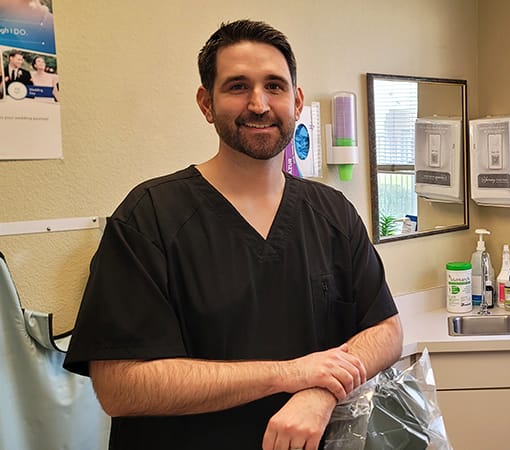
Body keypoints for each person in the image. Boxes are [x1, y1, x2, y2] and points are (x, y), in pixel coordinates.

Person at [63, 20, 403, 450]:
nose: (259, 104)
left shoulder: (332, 213)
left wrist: (320, 391)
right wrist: (289, 374)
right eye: (238, 87)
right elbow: (120, 386)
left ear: (297, 102)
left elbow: (386, 329)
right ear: (206, 103)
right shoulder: (149, 217)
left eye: (274, 86)